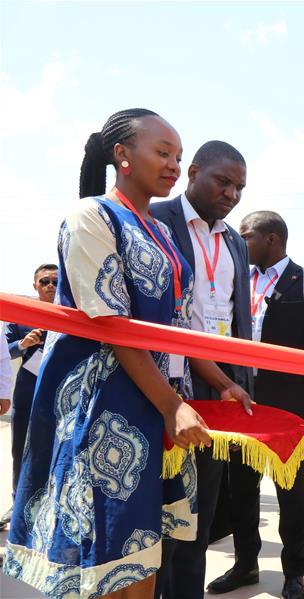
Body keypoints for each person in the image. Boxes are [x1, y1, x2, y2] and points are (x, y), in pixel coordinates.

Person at [1, 108, 224, 597]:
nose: (173, 166)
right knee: (101, 558)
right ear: (122, 155)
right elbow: (113, 326)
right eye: (162, 152)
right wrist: (172, 405)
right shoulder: (91, 216)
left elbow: (180, 330)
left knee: (142, 549)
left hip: (153, 405)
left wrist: (222, 385)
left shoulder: (161, 232)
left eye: (178, 157)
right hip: (103, 408)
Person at [207, 211, 304, 599]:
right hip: (241, 404)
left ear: (272, 240)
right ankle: (246, 564)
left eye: (246, 236)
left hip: (288, 409)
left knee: (291, 496)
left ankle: (294, 573)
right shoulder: (236, 282)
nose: (239, 242)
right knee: (242, 491)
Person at [150, 140, 254, 599]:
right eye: (223, 182)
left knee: (198, 518)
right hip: (160, 389)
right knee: (157, 519)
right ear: (192, 173)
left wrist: (238, 384)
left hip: (218, 395)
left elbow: (239, 322)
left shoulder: (235, 241)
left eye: (240, 188)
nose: (232, 194)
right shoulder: (154, 220)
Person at [2, 264, 58, 528]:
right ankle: (19, 506)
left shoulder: (72, 316)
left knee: (58, 452)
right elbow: (6, 353)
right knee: (21, 451)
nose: (50, 286)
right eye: (44, 281)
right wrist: (23, 344)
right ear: (35, 285)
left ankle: (53, 510)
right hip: (27, 396)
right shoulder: (21, 316)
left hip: (61, 397)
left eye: (55, 282)